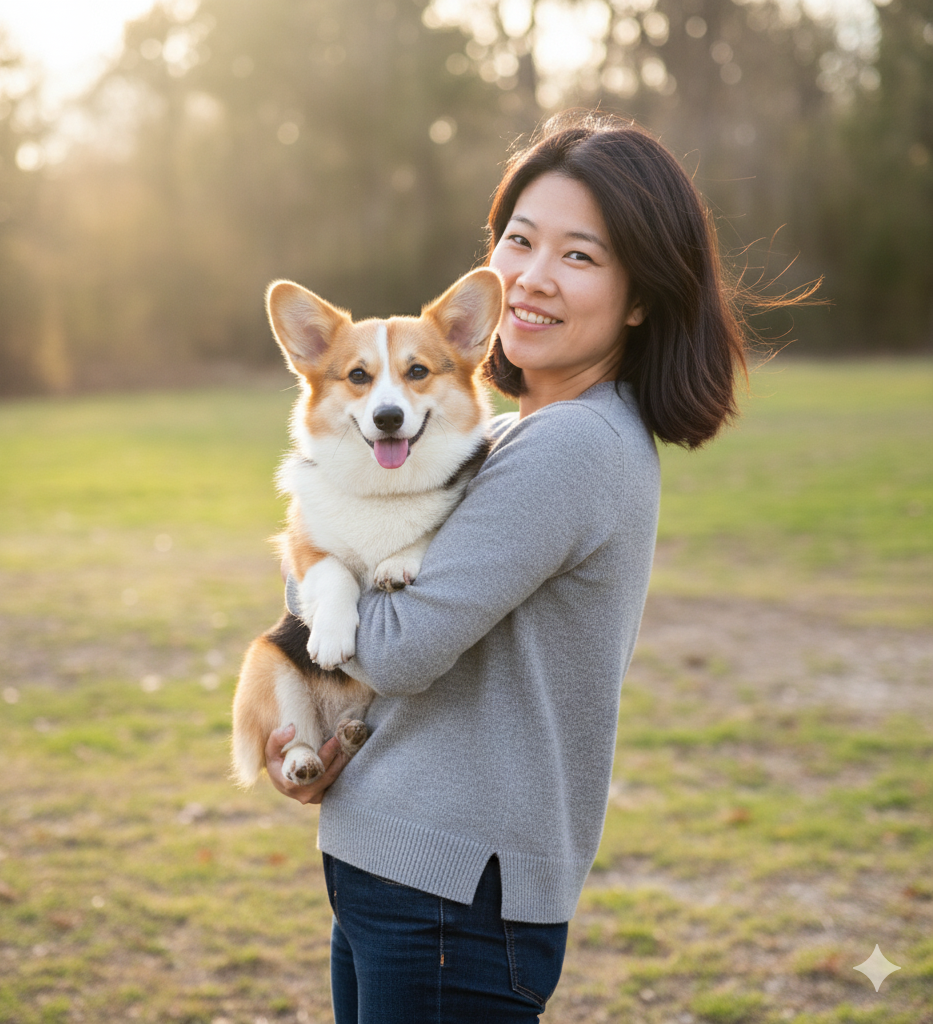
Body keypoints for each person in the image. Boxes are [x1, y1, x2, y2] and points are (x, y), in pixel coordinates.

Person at [261, 111, 807, 1022]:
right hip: (400, 865)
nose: (531, 279)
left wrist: (316, 539)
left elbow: (391, 652)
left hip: (451, 892)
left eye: (580, 256)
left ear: (640, 296)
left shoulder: (572, 449)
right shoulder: (511, 436)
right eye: (519, 240)